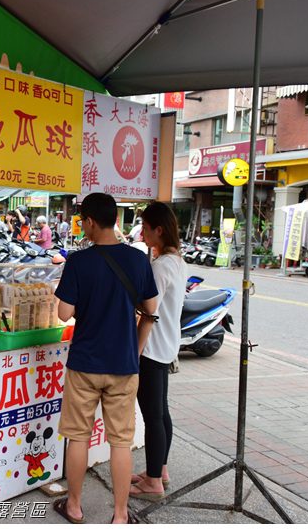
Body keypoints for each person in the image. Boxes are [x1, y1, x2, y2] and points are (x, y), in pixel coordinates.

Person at [53, 192, 158, 524]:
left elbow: (63, 313)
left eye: (82, 220)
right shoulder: (138, 259)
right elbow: (151, 310)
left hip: (84, 363)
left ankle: (74, 505)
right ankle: (120, 514)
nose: (82, 226)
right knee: (120, 442)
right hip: (123, 364)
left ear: (91, 222)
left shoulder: (79, 261)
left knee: (79, 436)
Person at [129, 202, 187, 500]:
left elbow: (148, 312)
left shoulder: (161, 266)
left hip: (151, 348)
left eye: (145, 227)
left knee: (153, 416)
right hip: (165, 345)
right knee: (160, 412)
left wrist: (136, 350)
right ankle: (159, 470)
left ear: (159, 230)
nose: (142, 232)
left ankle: (152, 481)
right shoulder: (175, 261)